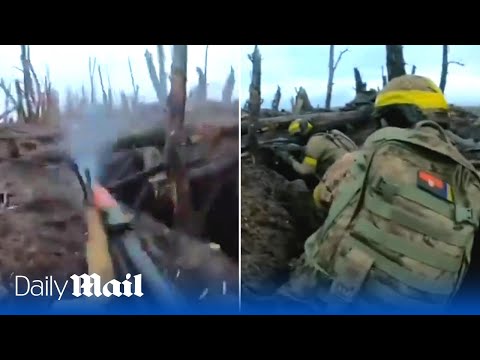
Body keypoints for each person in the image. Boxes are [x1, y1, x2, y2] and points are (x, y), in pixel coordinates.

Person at [276, 74, 480, 312]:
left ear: (388, 119)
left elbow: (320, 198)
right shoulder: (471, 183)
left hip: (332, 299)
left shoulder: (365, 155)